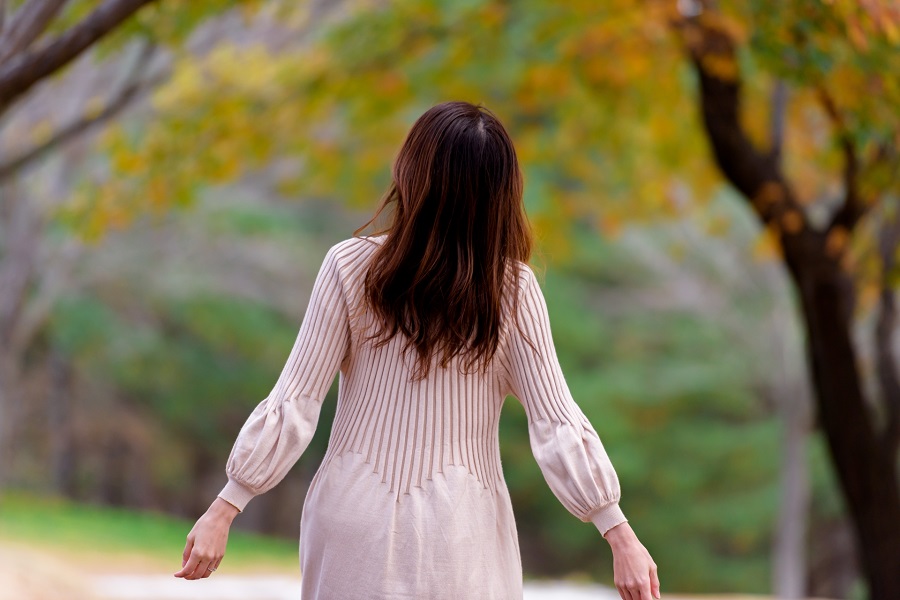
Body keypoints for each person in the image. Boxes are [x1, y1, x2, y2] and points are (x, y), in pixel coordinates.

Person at [174, 101, 660, 600]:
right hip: (463, 528)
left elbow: (296, 400)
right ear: (503, 194)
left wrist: (227, 505)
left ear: (412, 172)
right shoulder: (513, 290)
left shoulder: (350, 266)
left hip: (353, 513)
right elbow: (556, 424)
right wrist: (617, 531)